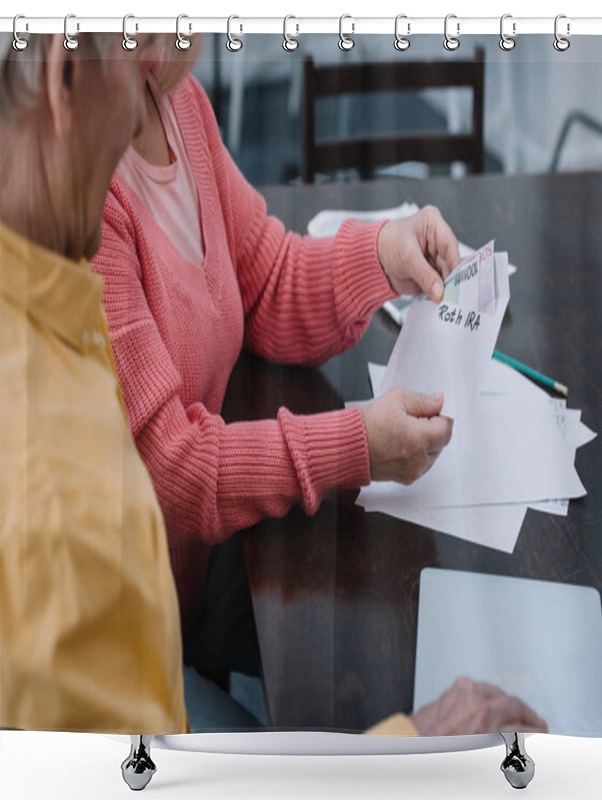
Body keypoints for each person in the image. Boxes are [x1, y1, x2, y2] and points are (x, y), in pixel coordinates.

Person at [91, 44, 458, 703]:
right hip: (125, 636)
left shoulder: (178, 102)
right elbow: (170, 473)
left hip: (200, 566)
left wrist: (382, 254)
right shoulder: (81, 194)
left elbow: (263, 280)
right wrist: (357, 446)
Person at [0, 32, 187, 733]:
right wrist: (413, 757)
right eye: (135, 42)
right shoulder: (66, 522)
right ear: (63, 71)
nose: (151, 91)